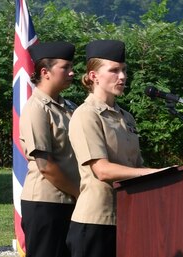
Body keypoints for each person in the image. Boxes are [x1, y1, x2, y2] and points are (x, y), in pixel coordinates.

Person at [66, 40, 160, 257]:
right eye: (114, 70)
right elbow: (102, 170)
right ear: (93, 76)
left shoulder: (126, 117)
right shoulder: (86, 115)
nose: (122, 77)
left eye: (124, 70)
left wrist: (164, 176)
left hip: (127, 217)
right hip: (95, 222)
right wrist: (151, 173)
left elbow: (135, 165)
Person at [19, 41, 81, 257]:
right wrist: (79, 192)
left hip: (69, 199)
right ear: (45, 72)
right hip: (46, 202)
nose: (72, 72)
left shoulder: (69, 106)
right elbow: (45, 165)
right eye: (65, 67)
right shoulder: (36, 108)